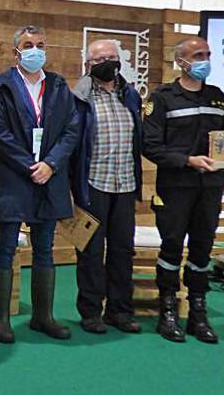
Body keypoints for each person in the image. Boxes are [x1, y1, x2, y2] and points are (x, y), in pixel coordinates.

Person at [0, 25, 80, 343]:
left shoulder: (58, 85)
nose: (35, 50)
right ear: (16, 52)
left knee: (45, 249)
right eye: (28, 45)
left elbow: (72, 129)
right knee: (7, 247)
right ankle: (2, 321)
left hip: (49, 177)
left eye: (40, 44)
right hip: (14, 177)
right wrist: (30, 166)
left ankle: (44, 316)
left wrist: (50, 164)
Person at [143, 36, 224, 344]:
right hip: (176, 186)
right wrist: (187, 160)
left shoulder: (217, 97)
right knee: (171, 248)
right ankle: (167, 311)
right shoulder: (164, 98)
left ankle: (198, 312)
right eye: (198, 55)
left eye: (208, 54)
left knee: (202, 249)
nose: (205, 59)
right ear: (181, 62)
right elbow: (150, 145)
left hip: (210, 187)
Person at [70, 39, 143, 334]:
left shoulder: (131, 95)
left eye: (113, 57)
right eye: (101, 58)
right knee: (89, 249)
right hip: (92, 184)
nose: (108, 62)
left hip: (125, 183)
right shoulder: (79, 97)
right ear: (89, 64)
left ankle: (120, 310)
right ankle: (90, 311)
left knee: (123, 249)